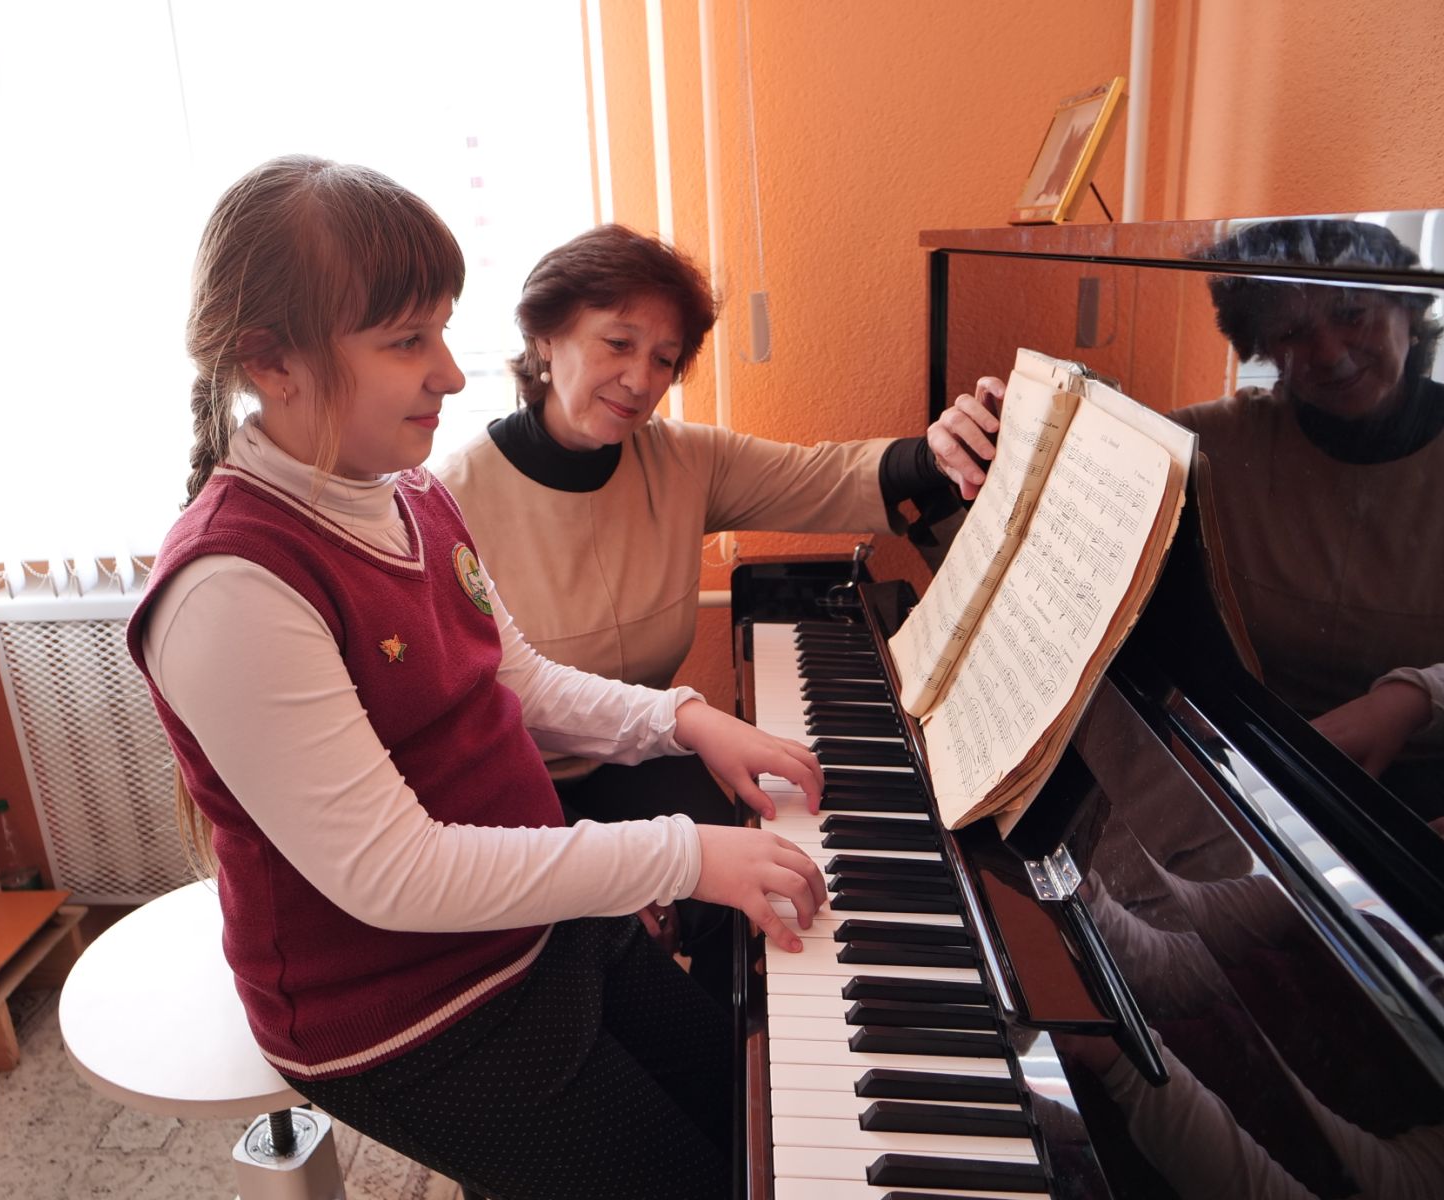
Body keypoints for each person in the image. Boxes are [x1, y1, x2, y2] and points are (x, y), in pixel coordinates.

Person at [125, 154, 829, 1200]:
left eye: (443, 332)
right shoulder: (232, 587)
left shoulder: (409, 493)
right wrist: (681, 854)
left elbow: (519, 680)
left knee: (756, 1117)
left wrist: (684, 720)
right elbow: (394, 874)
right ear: (272, 361)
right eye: (407, 341)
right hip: (412, 1011)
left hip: (531, 925)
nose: (451, 374)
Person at [433, 224, 1003, 982]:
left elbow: (825, 477)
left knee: (772, 879)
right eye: (618, 343)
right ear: (545, 337)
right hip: (519, 795)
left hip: (646, 751)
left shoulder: (681, 459)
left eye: (663, 359)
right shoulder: (451, 500)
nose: (640, 379)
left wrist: (939, 451)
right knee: (620, 954)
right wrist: (603, 881)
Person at [935, 219, 1444, 821]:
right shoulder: (1221, 440)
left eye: (1352, 315)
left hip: (1420, 789)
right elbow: (1068, 474)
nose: (1331, 353)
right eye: (1294, 332)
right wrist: (976, 440)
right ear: (1265, 347)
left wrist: (1415, 697)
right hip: (1254, 780)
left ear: (1408, 312)